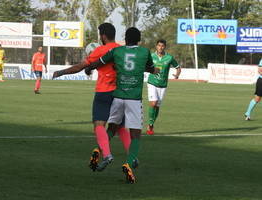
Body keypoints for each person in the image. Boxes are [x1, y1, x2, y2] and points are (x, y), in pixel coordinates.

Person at [83, 27, 159, 183]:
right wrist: (154, 70)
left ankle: (99, 149)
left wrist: (89, 67)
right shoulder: (144, 52)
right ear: (138, 39)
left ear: (125, 38)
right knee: (136, 135)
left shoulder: (117, 52)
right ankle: (129, 164)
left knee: (113, 128)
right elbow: (149, 67)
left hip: (117, 97)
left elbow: (99, 62)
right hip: (133, 99)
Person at [52, 23, 131, 172]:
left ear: (103, 36)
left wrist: (61, 72)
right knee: (120, 126)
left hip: (104, 92)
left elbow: (80, 66)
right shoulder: (123, 50)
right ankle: (132, 155)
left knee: (99, 124)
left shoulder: (101, 50)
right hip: (121, 93)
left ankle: (107, 155)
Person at [146, 39, 181, 135]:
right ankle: (150, 124)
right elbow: (145, 66)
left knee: (157, 106)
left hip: (163, 85)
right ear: (156, 46)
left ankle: (151, 124)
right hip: (152, 83)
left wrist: (177, 75)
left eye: (162, 46)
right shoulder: (151, 56)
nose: (160, 47)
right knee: (154, 103)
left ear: (165, 47)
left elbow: (178, 67)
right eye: (159, 45)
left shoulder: (169, 58)